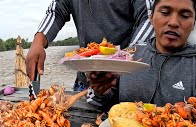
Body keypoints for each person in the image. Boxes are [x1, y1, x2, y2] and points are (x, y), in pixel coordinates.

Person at [25, 0, 154, 91]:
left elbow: (149, 16)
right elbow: (56, 11)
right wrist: (38, 42)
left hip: (125, 78)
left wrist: (126, 58)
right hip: (87, 79)